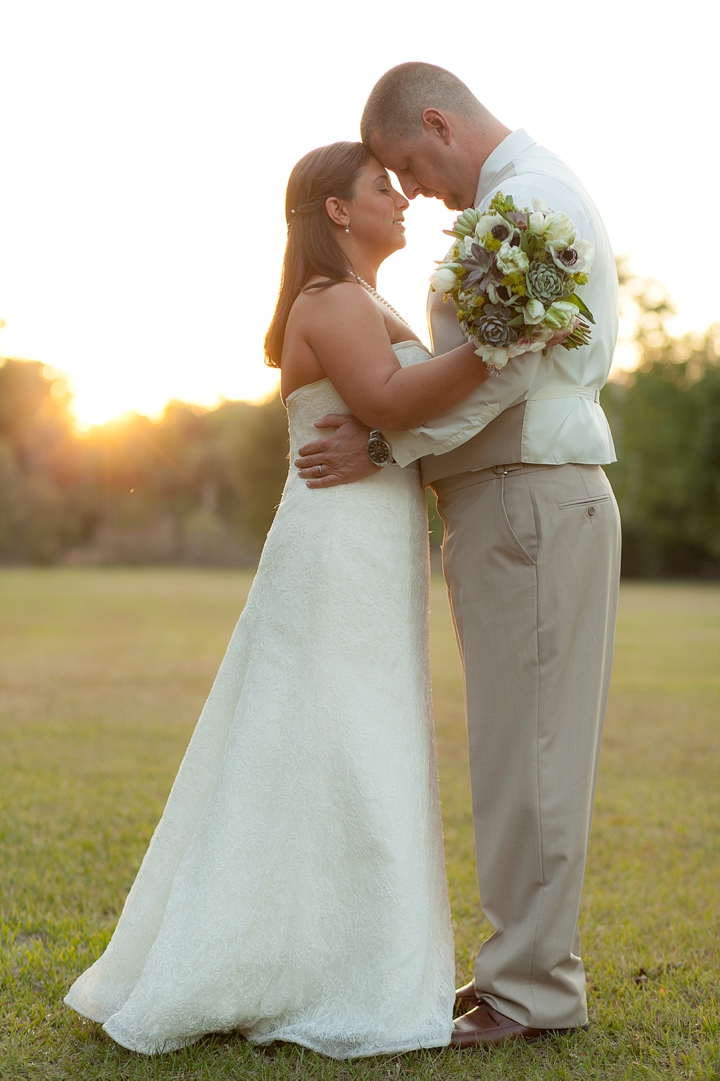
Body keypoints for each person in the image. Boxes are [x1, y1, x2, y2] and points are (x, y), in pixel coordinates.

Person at [64, 141, 494, 1059]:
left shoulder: (364, 298)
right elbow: (384, 399)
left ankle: (328, 954)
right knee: (334, 738)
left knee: (351, 739)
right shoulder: (330, 301)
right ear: (337, 211)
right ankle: (304, 965)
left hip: (370, 541)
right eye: (385, 188)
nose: (402, 201)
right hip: (337, 545)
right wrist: (503, 348)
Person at [295, 63, 621, 1047]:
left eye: (408, 164)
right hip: (512, 497)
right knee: (517, 748)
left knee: (532, 753)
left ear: (437, 122)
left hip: (527, 493)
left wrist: (387, 441)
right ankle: (519, 976)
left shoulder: (527, 204)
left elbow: (504, 370)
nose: (422, 191)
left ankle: (531, 993)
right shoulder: (527, 196)